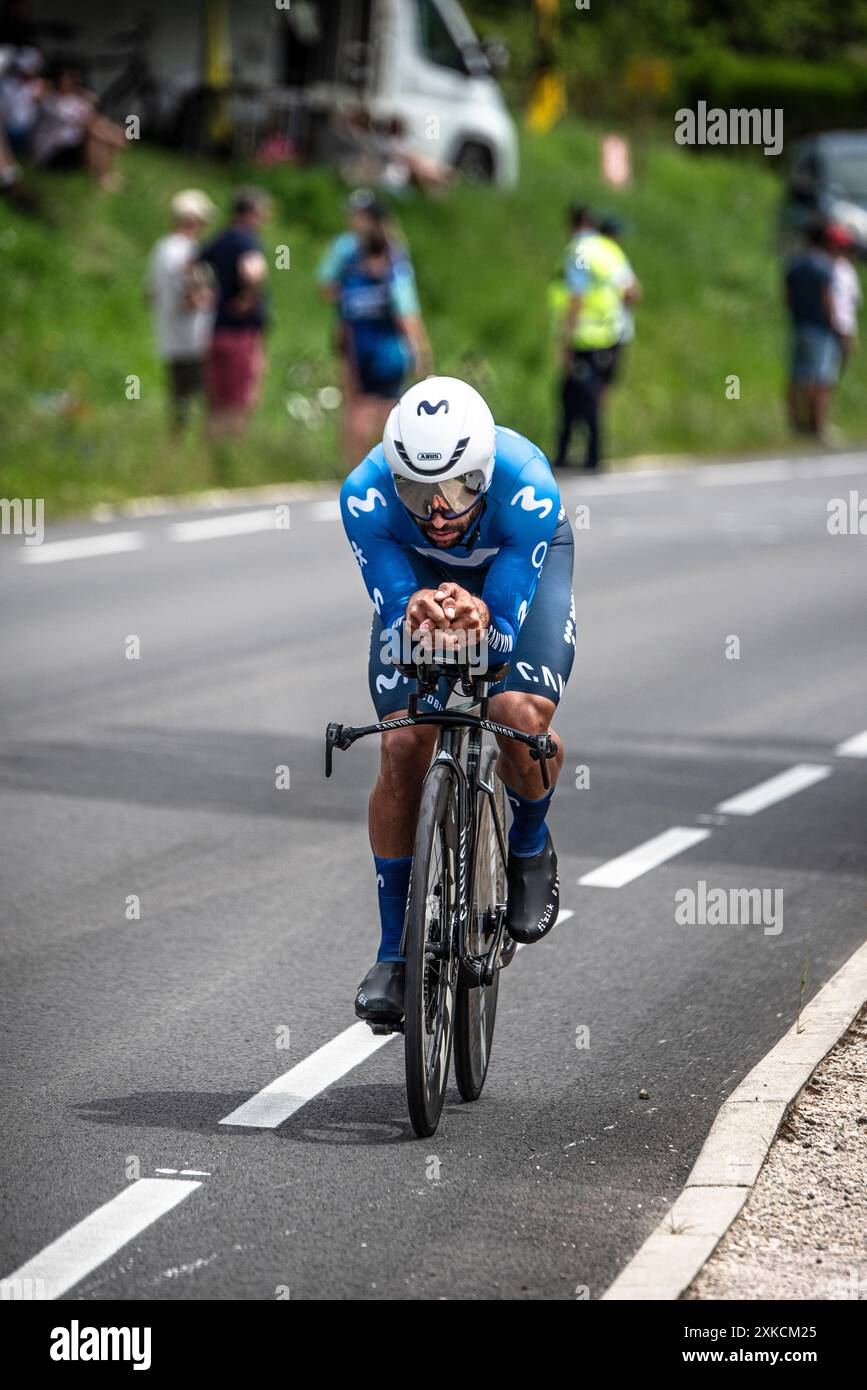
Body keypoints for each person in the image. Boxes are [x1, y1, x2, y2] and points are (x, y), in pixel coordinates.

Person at [340, 376, 575, 1025]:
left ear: (484, 473)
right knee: (402, 741)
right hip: (416, 579)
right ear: (394, 477)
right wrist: (415, 612)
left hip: (513, 565)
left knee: (514, 715)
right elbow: (395, 611)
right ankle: (393, 954)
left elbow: (500, 633)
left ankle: (528, 845)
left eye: (459, 489)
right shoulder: (363, 495)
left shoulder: (524, 481)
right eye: (418, 493)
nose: (440, 512)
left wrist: (484, 622)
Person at [317, 188, 431, 466]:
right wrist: (422, 351)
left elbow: (327, 288)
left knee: (357, 405)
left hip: (356, 335)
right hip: (385, 341)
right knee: (386, 408)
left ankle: (352, 469)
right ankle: (385, 467)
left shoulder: (348, 251)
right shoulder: (391, 255)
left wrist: (352, 299)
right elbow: (406, 309)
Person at [553, 203, 629, 472]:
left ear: (573, 225)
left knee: (574, 396)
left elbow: (577, 295)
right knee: (587, 396)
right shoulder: (610, 250)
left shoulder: (579, 251)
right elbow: (632, 291)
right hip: (611, 336)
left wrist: (566, 341)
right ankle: (587, 455)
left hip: (585, 338)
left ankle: (584, 456)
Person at [198, 187, 270, 439]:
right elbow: (253, 271)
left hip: (217, 329)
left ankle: (210, 454)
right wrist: (248, 298)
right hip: (243, 332)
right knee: (241, 397)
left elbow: (192, 265)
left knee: (217, 399)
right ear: (251, 213)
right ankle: (231, 453)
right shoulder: (247, 240)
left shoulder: (220, 239)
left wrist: (203, 294)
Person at [146, 189, 217, 433]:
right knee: (208, 395)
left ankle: (176, 444)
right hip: (196, 335)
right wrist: (210, 299)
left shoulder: (160, 248)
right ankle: (210, 447)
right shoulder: (186, 250)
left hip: (169, 334)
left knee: (178, 397)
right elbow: (190, 295)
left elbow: (150, 295)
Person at [784, 224, 840, 440]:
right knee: (821, 379)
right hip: (820, 327)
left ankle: (796, 424)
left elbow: (787, 297)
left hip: (799, 325)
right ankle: (818, 427)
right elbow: (827, 298)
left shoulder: (794, 265)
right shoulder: (824, 266)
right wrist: (833, 322)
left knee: (797, 376)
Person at [31, 63, 124, 189]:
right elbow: (85, 123)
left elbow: (95, 118)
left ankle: (108, 173)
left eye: (75, 76)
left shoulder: (77, 99)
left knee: (101, 131)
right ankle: (102, 180)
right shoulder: (50, 101)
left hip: (73, 147)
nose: (74, 80)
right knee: (94, 136)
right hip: (53, 153)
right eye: (69, 77)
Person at [826, 223, 862, 374]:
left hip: (845, 326)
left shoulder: (848, 270)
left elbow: (854, 302)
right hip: (828, 325)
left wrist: (852, 332)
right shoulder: (824, 266)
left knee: (835, 371)